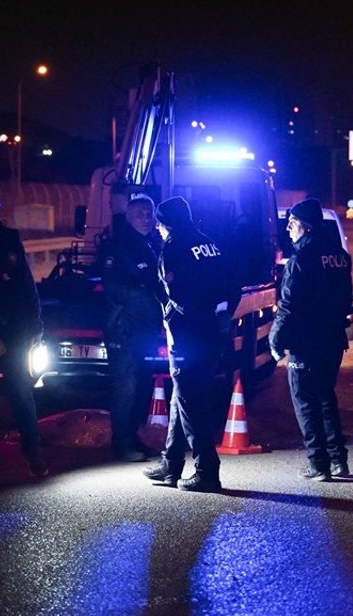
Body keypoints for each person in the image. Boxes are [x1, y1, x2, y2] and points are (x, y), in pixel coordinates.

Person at [142, 196, 239, 493]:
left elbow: (175, 294)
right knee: (181, 397)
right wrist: (219, 319)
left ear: (166, 224)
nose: (157, 229)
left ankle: (206, 472)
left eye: (159, 224)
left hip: (188, 337)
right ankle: (170, 464)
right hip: (212, 333)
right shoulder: (211, 244)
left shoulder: (173, 248)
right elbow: (233, 287)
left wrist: (171, 312)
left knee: (191, 401)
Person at [269, 198, 353, 481]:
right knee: (326, 397)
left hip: (307, 341)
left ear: (303, 226)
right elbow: (345, 299)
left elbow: (289, 305)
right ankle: (338, 460)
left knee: (305, 400)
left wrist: (275, 338)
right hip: (332, 339)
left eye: (291, 223)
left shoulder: (301, 259)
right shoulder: (340, 256)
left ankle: (318, 463)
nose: (288, 228)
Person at [0, 190, 48, 477]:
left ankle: (34, 453)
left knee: (22, 395)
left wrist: (35, 326)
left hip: (15, 333)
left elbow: (27, 287)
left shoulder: (8, 241)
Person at [100, 194, 165, 462]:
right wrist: (145, 295)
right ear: (128, 216)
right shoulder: (118, 246)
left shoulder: (152, 244)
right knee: (126, 385)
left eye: (149, 213)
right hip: (124, 327)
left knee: (142, 385)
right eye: (140, 213)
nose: (146, 218)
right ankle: (122, 443)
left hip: (147, 328)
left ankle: (133, 436)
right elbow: (115, 286)